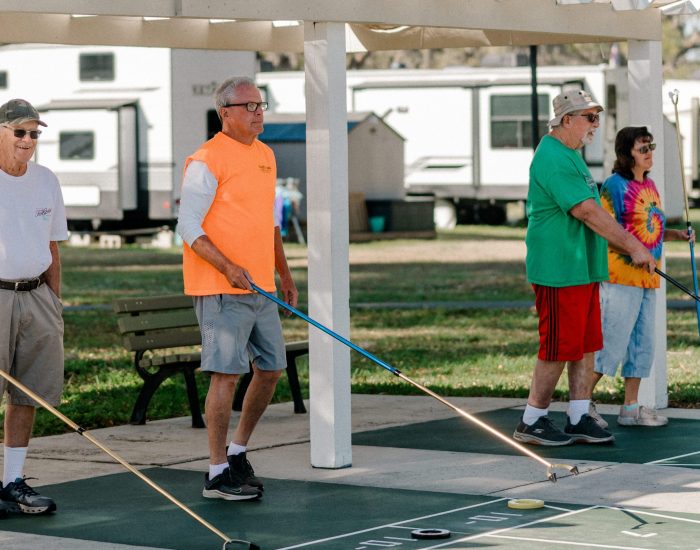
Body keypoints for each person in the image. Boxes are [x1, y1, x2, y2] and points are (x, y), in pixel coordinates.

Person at [176, 76, 298, 501]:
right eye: (249, 106)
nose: (258, 112)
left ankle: (237, 451)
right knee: (226, 376)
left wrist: (284, 273)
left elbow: (270, 223)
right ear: (224, 113)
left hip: (261, 288)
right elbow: (187, 227)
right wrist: (228, 267)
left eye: (261, 105)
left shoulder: (265, 155)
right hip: (221, 288)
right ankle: (215, 474)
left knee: (271, 369)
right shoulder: (206, 160)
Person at [513, 90, 656, 447]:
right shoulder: (553, 157)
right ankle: (533, 419)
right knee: (558, 347)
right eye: (589, 117)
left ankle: (579, 416)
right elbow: (586, 211)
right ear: (566, 120)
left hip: (583, 269)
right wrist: (633, 245)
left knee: (585, 346)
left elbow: (595, 212)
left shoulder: (571, 156)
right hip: (559, 270)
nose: (595, 124)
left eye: (596, 117)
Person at [588, 127, 691, 428]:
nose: (649, 153)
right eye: (642, 148)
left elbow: (651, 229)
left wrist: (677, 234)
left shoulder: (651, 186)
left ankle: (630, 407)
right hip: (620, 277)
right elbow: (603, 230)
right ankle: (582, 405)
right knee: (612, 344)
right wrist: (632, 251)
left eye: (651, 146)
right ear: (626, 154)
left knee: (642, 345)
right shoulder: (614, 186)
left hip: (649, 278)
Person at [0, 99, 67, 515]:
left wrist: (55, 303)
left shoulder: (46, 180)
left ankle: (12, 482)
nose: (28, 141)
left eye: (34, 134)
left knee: (27, 393)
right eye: (19, 132)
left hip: (38, 296)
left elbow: (52, 245)